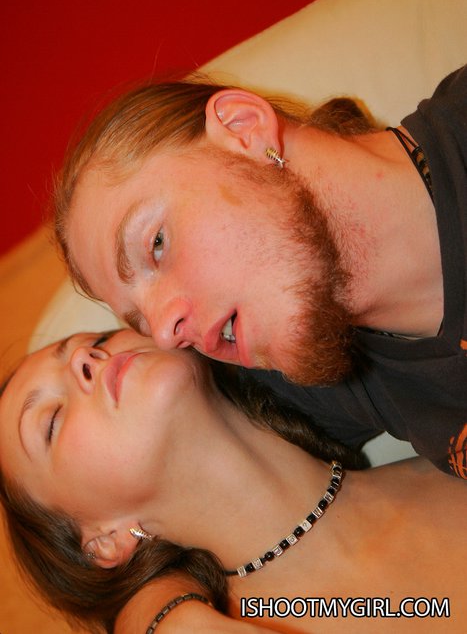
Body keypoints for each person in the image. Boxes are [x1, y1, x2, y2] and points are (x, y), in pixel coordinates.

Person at [54, 67, 467, 478]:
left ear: (244, 129)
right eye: (142, 321)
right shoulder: (331, 384)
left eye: (156, 244)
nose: (165, 333)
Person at [0, 329, 466, 634]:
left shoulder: (441, 440)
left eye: (98, 337)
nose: (85, 356)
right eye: (51, 422)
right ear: (105, 541)